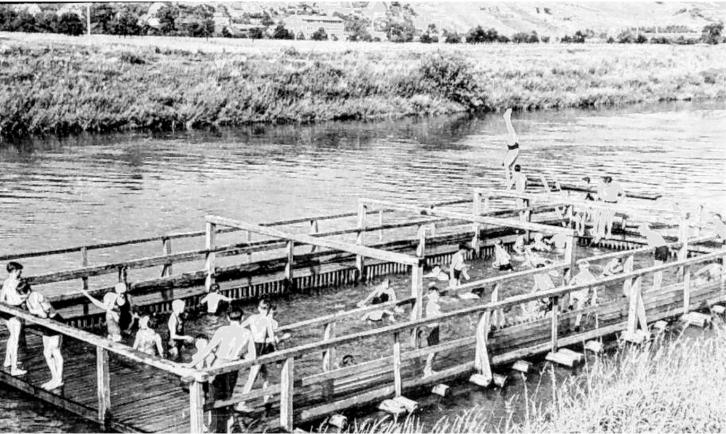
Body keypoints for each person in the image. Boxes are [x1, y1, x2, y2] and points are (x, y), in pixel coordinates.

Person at [187, 309, 255, 432]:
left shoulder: (223, 330)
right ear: (243, 317)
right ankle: (228, 428)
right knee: (228, 397)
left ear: (228, 318)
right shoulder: (247, 333)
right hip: (233, 366)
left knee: (214, 398)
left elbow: (208, 348)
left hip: (218, 366)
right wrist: (241, 355)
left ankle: (215, 429)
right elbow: (253, 356)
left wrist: (191, 364)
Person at [19, 279, 64, 389]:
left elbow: (44, 314)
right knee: (47, 353)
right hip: (44, 324)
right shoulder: (28, 299)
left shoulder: (35, 296)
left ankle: (59, 379)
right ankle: (54, 377)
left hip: (54, 322)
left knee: (55, 351)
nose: (21, 296)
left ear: (28, 291)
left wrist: (32, 312)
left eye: (22, 294)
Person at [240, 298, 277, 410]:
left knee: (264, 373)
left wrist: (249, 337)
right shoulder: (267, 321)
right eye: (265, 308)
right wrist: (276, 347)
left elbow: (240, 327)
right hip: (260, 348)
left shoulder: (252, 318)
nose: (265, 310)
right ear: (268, 309)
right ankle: (241, 403)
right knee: (253, 376)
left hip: (252, 346)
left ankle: (267, 396)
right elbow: (271, 339)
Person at [1, 262, 28, 376]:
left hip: (5, 312)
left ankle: (7, 361)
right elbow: (16, 301)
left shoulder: (6, 282)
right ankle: (14, 368)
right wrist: (25, 298)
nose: (20, 273)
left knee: (11, 337)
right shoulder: (16, 283)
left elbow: (2, 298)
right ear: (15, 271)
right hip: (14, 312)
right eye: (19, 271)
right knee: (15, 340)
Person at [569, 262, 598, 331]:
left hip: (585, 295)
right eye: (581, 268)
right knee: (572, 293)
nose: (582, 270)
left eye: (584, 268)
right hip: (580, 293)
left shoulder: (590, 277)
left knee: (580, 305)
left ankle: (577, 324)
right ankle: (571, 304)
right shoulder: (579, 275)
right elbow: (571, 283)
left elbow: (594, 288)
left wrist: (592, 297)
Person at [639, 223, 668, 292]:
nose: (640, 234)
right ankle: (657, 285)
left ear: (644, 231)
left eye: (641, 232)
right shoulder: (653, 233)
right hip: (664, 249)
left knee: (656, 269)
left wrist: (644, 248)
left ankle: (655, 286)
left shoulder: (649, 235)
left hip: (660, 249)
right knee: (659, 269)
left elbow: (651, 246)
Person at [423, 286, 443, 377]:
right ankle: (427, 369)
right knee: (432, 351)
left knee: (436, 350)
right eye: (435, 295)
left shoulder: (434, 304)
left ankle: (430, 368)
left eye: (437, 295)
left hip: (435, 328)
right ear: (430, 296)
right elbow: (437, 314)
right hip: (431, 330)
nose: (437, 297)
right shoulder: (431, 305)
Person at [502, 108, 520, 187]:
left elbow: (509, 154)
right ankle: (507, 118)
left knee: (511, 131)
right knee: (511, 131)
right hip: (514, 149)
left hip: (514, 148)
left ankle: (509, 182)